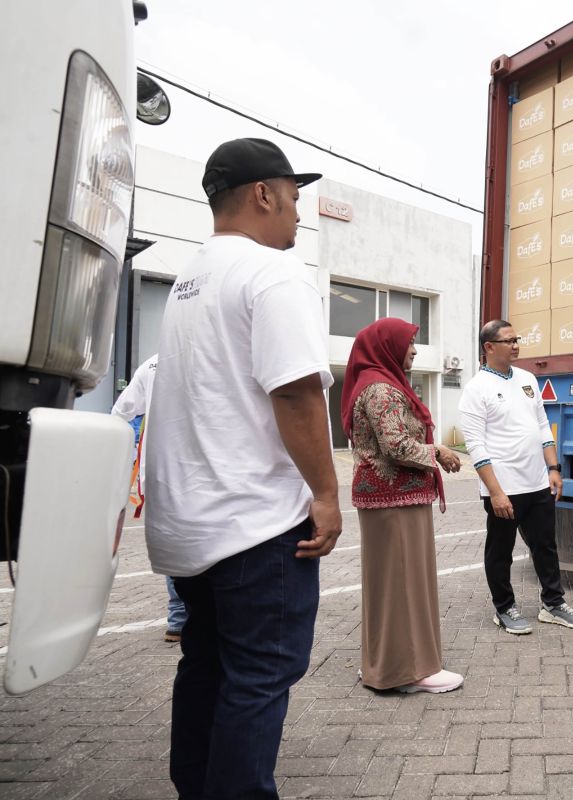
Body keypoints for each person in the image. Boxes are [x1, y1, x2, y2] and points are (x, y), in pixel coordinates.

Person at [144, 137, 342, 799]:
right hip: (256, 525)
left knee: (205, 665)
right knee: (260, 677)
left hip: (192, 526)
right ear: (263, 193)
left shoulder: (187, 281)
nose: (296, 211)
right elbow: (294, 391)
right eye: (293, 196)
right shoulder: (271, 272)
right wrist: (325, 492)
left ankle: (195, 787)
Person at [341, 317, 464, 693]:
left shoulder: (375, 383)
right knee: (405, 581)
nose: (414, 350)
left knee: (388, 583)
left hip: (387, 497)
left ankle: (382, 664)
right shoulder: (381, 390)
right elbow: (396, 446)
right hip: (394, 497)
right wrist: (439, 450)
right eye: (409, 342)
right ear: (388, 346)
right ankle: (409, 672)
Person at [458, 320, 573, 634]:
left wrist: (553, 469)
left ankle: (553, 604)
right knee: (500, 552)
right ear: (489, 347)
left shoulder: (528, 379)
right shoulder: (477, 388)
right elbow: (475, 444)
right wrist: (495, 492)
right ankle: (504, 608)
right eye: (508, 341)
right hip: (503, 488)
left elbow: (543, 425)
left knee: (545, 545)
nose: (516, 345)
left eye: (517, 339)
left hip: (537, 483)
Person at [112, 353, 187, 643]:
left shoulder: (152, 364)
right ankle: (198, 614)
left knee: (172, 543)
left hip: (157, 470)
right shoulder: (217, 350)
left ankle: (178, 618)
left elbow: (121, 412)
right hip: (202, 470)